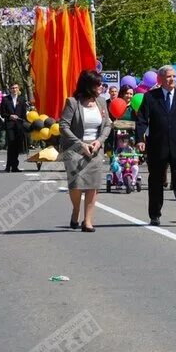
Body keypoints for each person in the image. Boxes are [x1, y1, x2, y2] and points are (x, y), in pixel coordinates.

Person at [135, 65, 176, 227]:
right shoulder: (150, 97)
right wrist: (140, 139)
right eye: (168, 77)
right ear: (160, 79)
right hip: (157, 146)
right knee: (156, 181)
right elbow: (141, 120)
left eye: (174, 77)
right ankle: (155, 215)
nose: (172, 80)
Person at [59, 70, 112, 232]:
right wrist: (80, 144)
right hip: (75, 149)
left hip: (95, 149)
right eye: (98, 85)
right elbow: (63, 126)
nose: (101, 87)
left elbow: (108, 124)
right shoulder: (72, 102)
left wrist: (99, 141)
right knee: (76, 185)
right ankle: (76, 209)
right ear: (88, 86)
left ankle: (87, 221)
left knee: (92, 185)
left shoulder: (102, 102)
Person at [0, 82, 28, 172]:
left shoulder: (22, 99)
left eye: (16, 88)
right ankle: (8, 166)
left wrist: (24, 122)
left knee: (17, 146)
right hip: (10, 125)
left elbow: (24, 113)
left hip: (19, 126)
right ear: (10, 89)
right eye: (12, 88)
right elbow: (2, 113)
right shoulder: (5, 99)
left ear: (18, 89)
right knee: (11, 144)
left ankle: (15, 167)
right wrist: (9, 116)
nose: (14, 89)